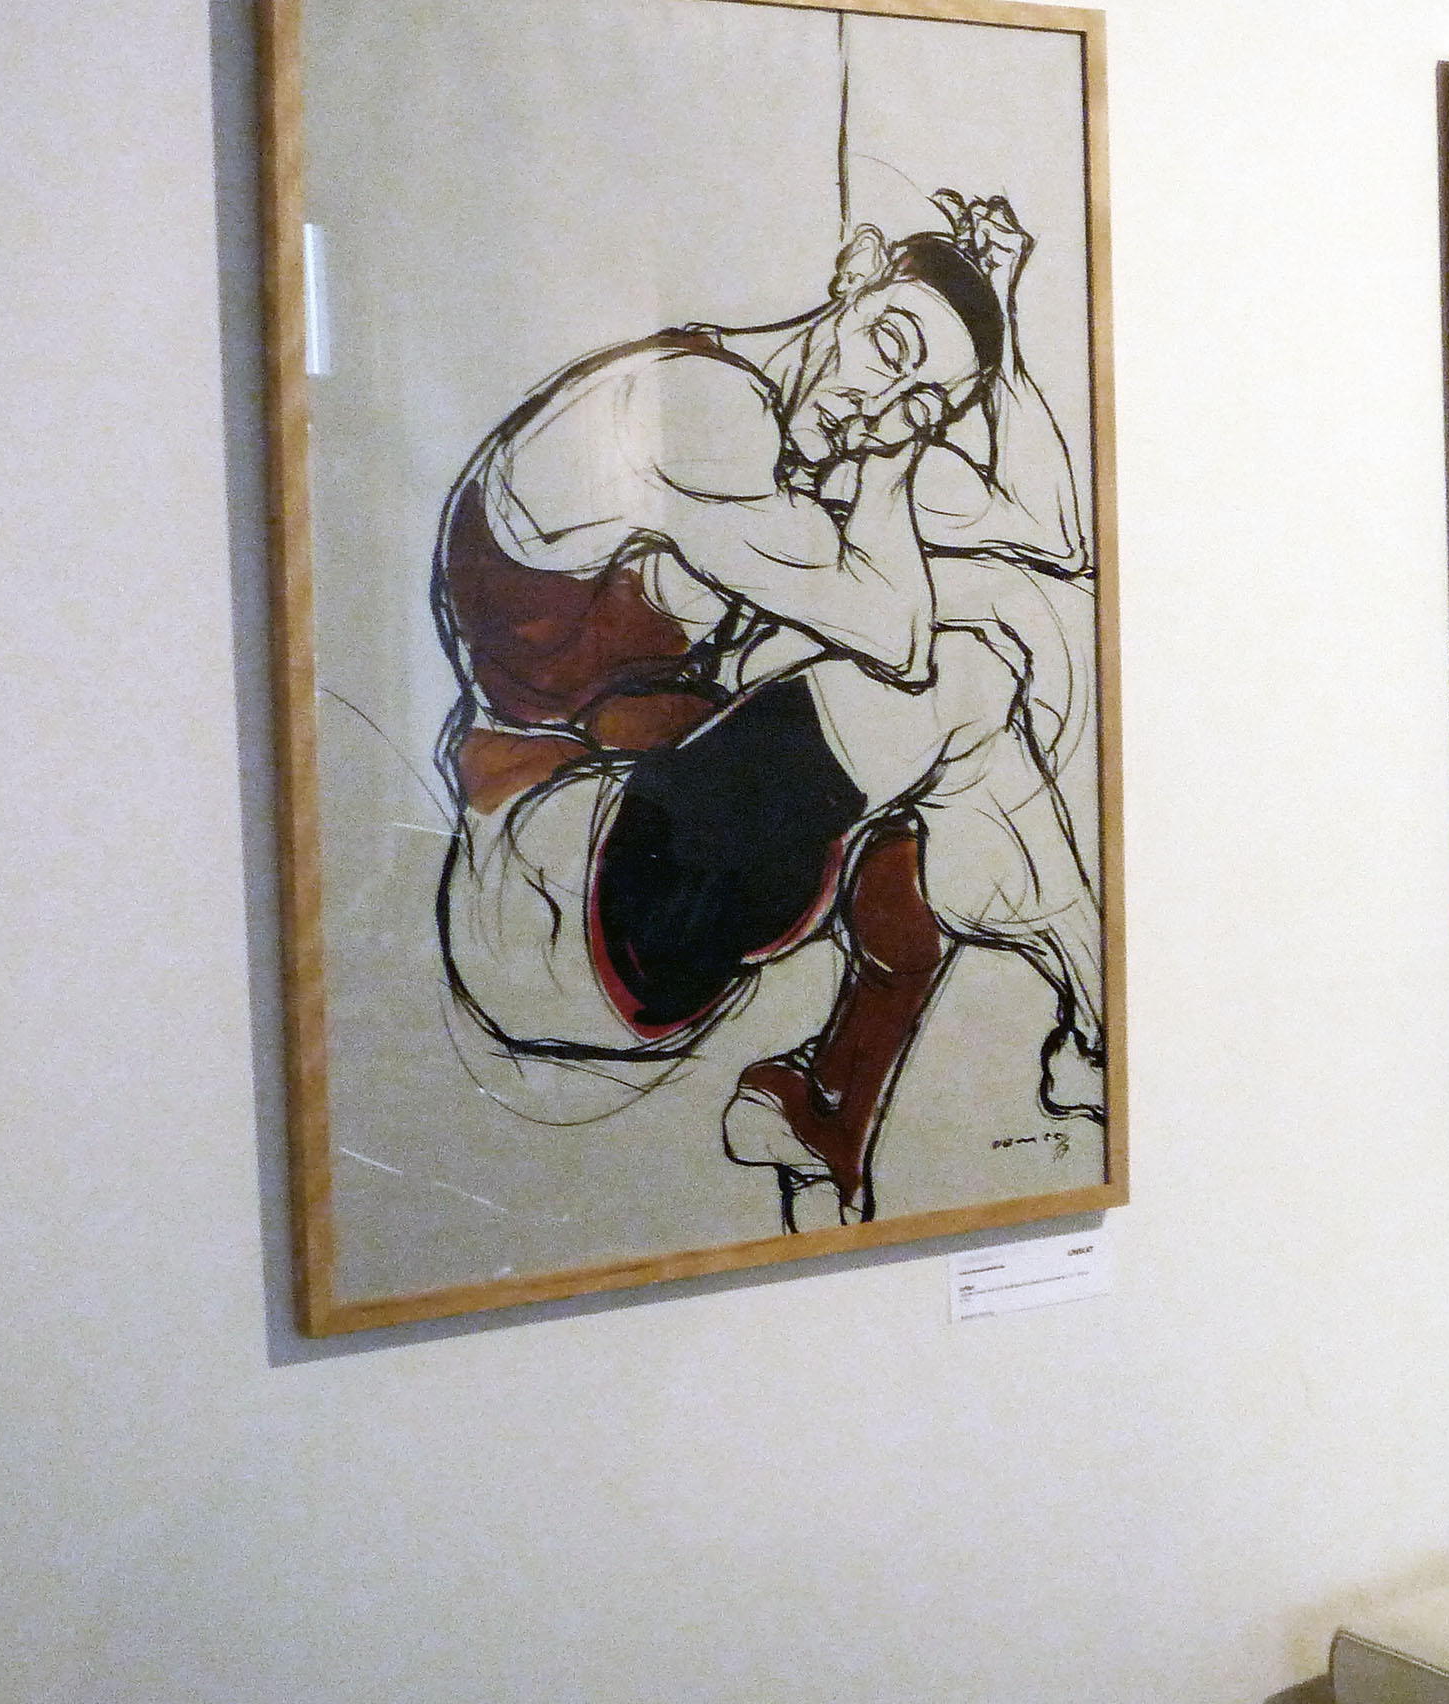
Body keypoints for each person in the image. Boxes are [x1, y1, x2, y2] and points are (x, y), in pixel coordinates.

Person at [431, 192, 1101, 1226]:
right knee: (957, 679)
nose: (885, 403)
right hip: (552, 889)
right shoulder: (698, 406)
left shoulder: (807, 449)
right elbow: (894, 640)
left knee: (935, 734)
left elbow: (1052, 530)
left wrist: (994, 336)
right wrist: (895, 458)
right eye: (890, 344)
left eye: (925, 402)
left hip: (636, 877)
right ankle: (1090, 1027)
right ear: (854, 270)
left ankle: (829, 1108)